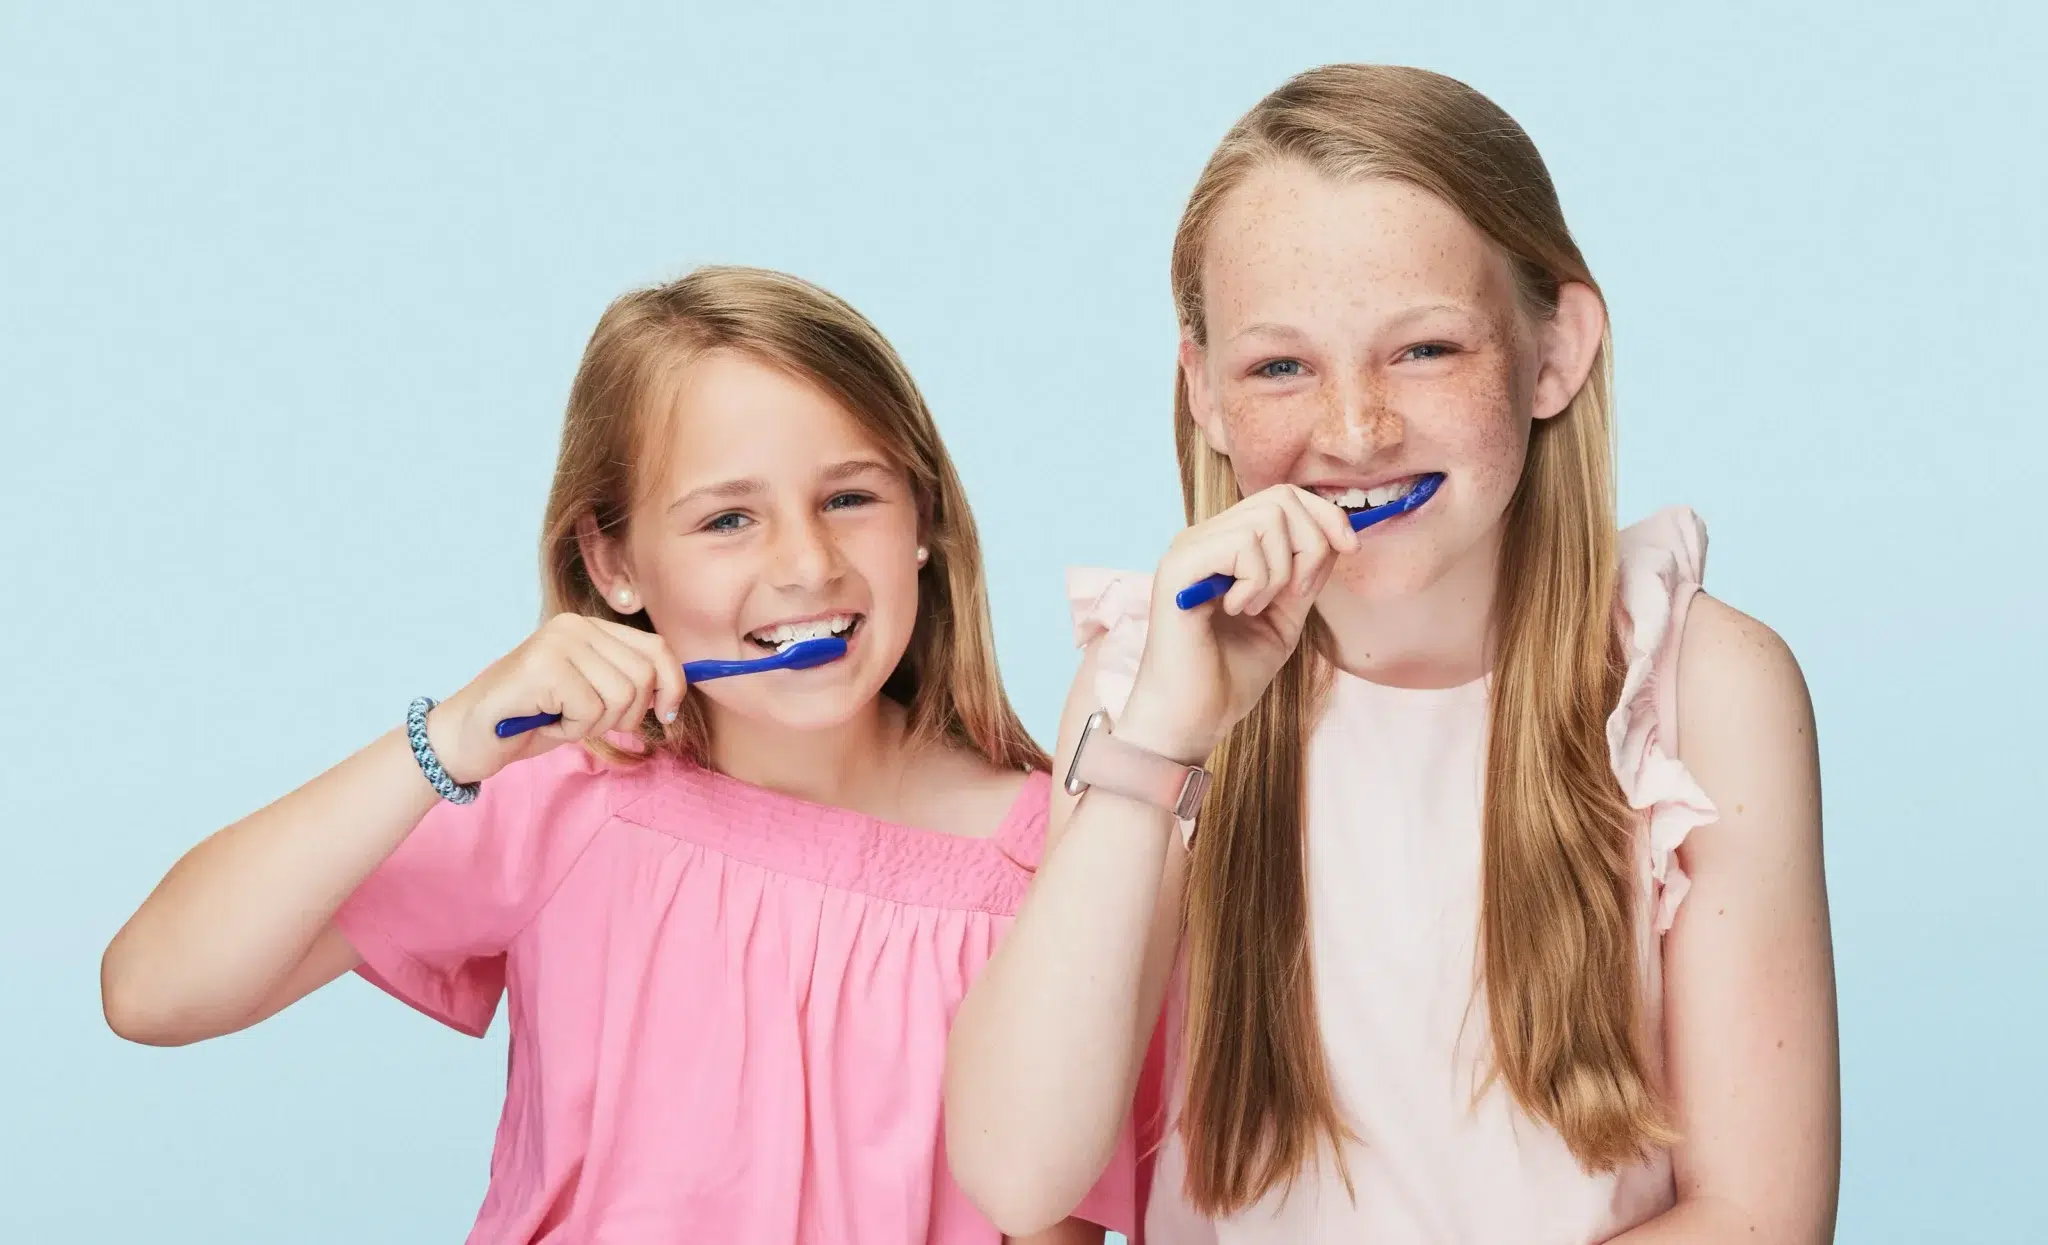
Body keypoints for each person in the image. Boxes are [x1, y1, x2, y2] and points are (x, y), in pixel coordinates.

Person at [945, 65, 1840, 1244]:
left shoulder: (1699, 689)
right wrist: (1164, 734)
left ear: (1553, 351)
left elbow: (1758, 1217)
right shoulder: (1142, 686)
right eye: (1280, 366)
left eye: (1421, 350)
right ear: (1203, 393)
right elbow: (1019, 1178)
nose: (1355, 430)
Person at [100, 266, 1133, 1244]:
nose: (805, 563)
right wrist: (449, 738)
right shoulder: (567, 798)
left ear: (924, 517)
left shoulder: (1065, 863)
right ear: (612, 562)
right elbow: (152, 991)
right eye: (728, 518)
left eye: (848, 498)